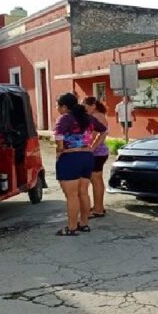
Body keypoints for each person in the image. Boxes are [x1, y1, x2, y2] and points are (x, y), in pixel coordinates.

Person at [53, 93, 107, 236]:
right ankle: (84, 224)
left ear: (64, 107)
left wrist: (60, 150)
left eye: (57, 105)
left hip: (70, 158)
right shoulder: (88, 117)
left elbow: (58, 136)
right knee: (83, 192)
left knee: (72, 196)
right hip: (87, 157)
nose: (56, 108)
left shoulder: (64, 118)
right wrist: (92, 147)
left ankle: (71, 227)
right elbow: (104, 130)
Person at [83, 96, 110, 218]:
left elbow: (94, 135)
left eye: (85, 106)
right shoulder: (99, 116)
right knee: (97, 180)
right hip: (99, 152)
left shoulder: (97, 117)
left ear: (93, 106)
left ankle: (98, 209)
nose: (84, 108)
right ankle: (98, 206)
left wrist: (90, 148)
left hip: (97, 153)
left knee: (96, 180)